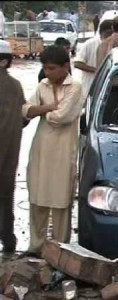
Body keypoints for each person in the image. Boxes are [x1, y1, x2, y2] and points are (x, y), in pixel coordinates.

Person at [21, 45, 84, 257]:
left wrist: (42, 112)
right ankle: (35, 246)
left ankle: (59, 249)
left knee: (60, 201)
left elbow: (62, 118)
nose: (47, 73)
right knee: (37, 198)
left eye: (51, 68)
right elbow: (26, 110)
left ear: (65, 66)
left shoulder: (75, 88)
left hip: (63, 150)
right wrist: (48, 108)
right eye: (45, 68)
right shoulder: (43, 85)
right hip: (41, 148)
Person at [0, 40, 27, 254]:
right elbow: (23, 117)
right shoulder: (15, 86)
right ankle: (8, 240)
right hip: (9, 153)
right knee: (6, 196)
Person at [74, 20, 113, 98]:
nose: (110, 36)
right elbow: (77, 63)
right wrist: (99, 71)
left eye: (113, 33)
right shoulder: (90, 44)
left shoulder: (115, 45)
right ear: (101, 32)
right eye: (108, 33)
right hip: (90, 88)